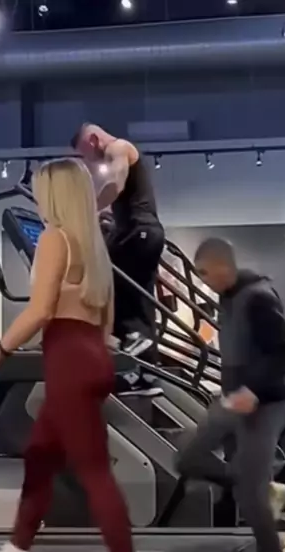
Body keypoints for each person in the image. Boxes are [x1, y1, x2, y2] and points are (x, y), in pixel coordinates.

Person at [0, 158, 156, 552]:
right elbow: (105, 323)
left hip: (69, 363)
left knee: (94, 471)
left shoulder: (55, 239)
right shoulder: (94, 248)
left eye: (41, 190)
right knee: (39, 461)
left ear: (54, 195)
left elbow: (40, 311)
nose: (37, 198)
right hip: (92, 356)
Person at [176, 238, 285, 552]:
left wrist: (253, 391)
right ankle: (263, 490)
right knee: (189, 457)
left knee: (249, 492)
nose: (203, 280)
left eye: (205, 272)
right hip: (234, 401)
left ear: (223, 266)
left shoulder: (258, 297)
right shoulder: (227, 296)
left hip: (267, 403)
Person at [71, 123, 165, 396]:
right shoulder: (121, 153)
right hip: (145, 232)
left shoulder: (118, 147)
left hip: (138, 231)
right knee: (139, 301)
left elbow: (114, 183)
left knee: (108, 289)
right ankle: (146, 374)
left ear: (93, 139)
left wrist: (87, 212)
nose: (88, 160)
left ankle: (131, 355)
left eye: (85, 153)